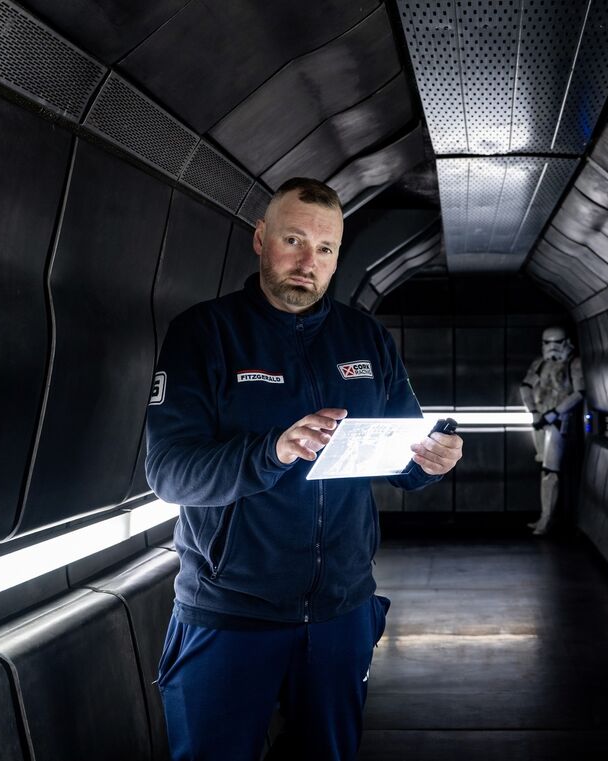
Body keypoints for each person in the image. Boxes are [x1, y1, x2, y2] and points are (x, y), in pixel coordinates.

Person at [145, 177, 463, 761]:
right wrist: (272, 451)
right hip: (230, 611)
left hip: (342, 611)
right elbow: (171, 473)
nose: (307, 262)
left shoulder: (365, 337)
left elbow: (405, 452)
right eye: (293, 240)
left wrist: (431, 461)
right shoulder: (206, 334)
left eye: (325, 249)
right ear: (261, 240)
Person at [520, 326, 584, 535]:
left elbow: (579, 393)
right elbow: (526, 387)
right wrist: (535, 412)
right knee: (546, 469)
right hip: (542, 420)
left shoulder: (574, 364)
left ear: (566, 342)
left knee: (551, 471)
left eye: (557, 342)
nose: (552, 347)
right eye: (547, 343)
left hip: (560, 422)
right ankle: (545, 517)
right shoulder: (539, 364)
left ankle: (547, 519)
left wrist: (555, 412)